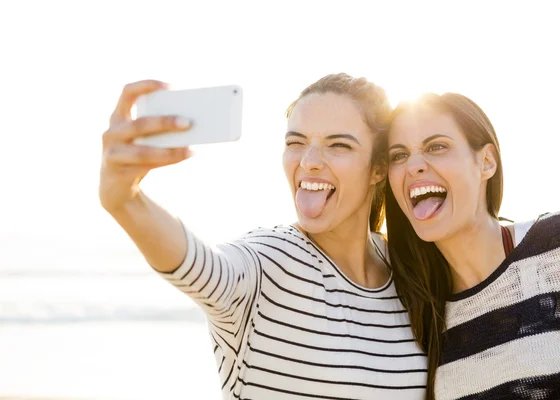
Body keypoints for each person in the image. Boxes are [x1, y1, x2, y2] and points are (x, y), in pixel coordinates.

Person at [99, 73, 427, 399]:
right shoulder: (270, 263)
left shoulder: (410, 272)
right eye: (296, 143)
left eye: (338, 145)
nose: (309, 162)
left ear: (379, 168)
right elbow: (202, 266)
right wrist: (125, 201)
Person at [384, 92, 560, 399]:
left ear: (486, 162)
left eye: (436, 147)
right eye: (399, 155)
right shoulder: (422, 319)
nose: (414, 165)